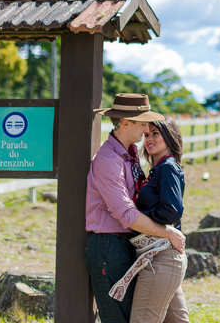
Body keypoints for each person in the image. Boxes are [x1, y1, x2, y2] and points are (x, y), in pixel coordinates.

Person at [85, 93, 186, 323]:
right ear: (125, 122)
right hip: (109, 244)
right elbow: (127, 214)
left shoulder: (129, 154)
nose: (145, 131)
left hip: (128, 244)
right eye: (142, 125)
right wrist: (168, 231)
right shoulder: (109, 160)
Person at [127, 117, 190, 323]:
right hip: (163, 256)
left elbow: (172, 212)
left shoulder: (166, 168)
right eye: (146, 135)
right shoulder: (158, 169)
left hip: (162, 258)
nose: (149, 139)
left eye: (155, 133)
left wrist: (138, 216)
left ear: (170, 137)